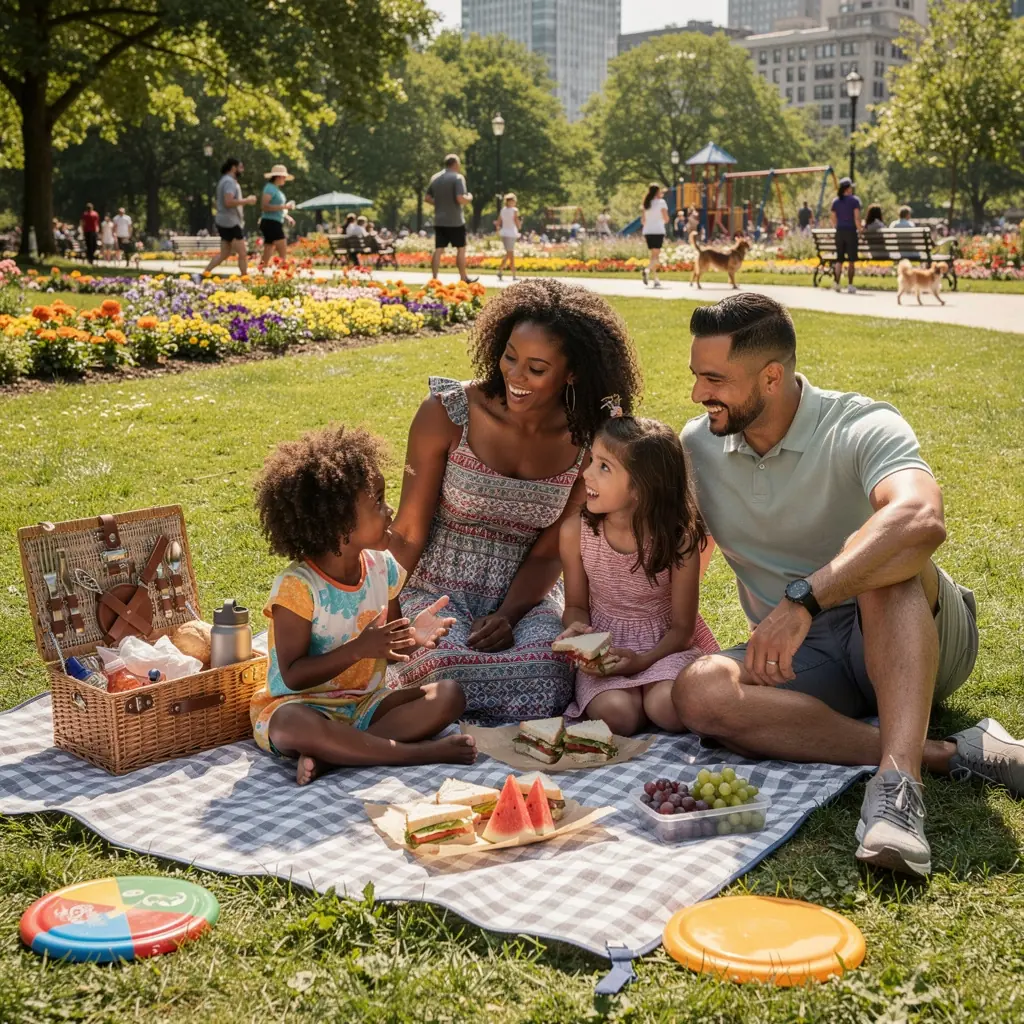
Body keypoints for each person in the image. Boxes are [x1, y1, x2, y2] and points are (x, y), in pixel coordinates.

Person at [672, 293, 1024, 877]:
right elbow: (673, 546)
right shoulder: (697, 447)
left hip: (917, 628)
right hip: (806, 657)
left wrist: (804, 598)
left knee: (882, 557)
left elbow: (921, 519)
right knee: (699, 691)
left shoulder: (861, 423)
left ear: (772, 376)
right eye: (696, 376)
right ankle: (945, 754)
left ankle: (898, 793)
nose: (697, 394)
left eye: (714, 379)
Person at [388, 279, 643, 722]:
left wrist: (509, 614)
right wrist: (385, 614)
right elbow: (408, 531)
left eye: (536, 368)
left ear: (573, 373)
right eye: (510, 356)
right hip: (434, 588)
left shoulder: (590, 442)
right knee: (438, 666)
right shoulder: (447, 413)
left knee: (549, 676)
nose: (516, 376)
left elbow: (551, 551)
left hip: (526, 596)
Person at [249, 424, 476, 786]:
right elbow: (292, 675)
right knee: (291, 724)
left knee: (448, 694)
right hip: (303, 707)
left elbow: (390, 643)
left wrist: (412, 636)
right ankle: (417, 753)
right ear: (339, 523)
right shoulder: (297, 588)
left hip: (365, 706)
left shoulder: (382, 569)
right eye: (378, 502)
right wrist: (358, 650)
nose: (389, 511)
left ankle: (337, 756)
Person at [557, 412, 719, 735]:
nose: (587, 473)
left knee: (668, 708)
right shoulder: (575, 532)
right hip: (607, 650)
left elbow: (683, 629)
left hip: (665, 646)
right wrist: (577, 631)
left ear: (641, 489)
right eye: (592, 460)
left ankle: (649, 701)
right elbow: (576, 605)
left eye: (604, 467)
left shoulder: (677, 541)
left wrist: (643, 662)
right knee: (618, 716)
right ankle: (636, 704)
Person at [425, 154, 476, 283]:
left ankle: (434, 278)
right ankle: (463, 277)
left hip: (439, 220)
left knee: (438, 249)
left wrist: (440, 203)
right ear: (455, 164)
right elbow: (460, 198)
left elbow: (427, 198)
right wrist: (469, 197)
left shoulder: (435, 178)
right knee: (461, 249)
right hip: (455, 221)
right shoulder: (458, 178)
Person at [204, 157, 257, 276]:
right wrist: (247, 200)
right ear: (234, 168)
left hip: (223, 221)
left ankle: (204, 274)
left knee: (225, 253)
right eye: (241, 167)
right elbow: (228, 202)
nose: (242, 170)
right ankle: (245, 278)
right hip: (230, 222)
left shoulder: (224, 180)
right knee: (243, 253)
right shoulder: (229, 182)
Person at [259, 164, 296, 269]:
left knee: (268, 249)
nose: (285, 179)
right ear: (278, 176)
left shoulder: (276, 189)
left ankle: (261, 271)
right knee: (282, 248)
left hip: (274, 222)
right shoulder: (269, 188)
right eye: (284, 177)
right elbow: (265, 206)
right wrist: (285, 206)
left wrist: (287, 216)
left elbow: (278, 209)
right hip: (271, 223)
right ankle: (284, 273)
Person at [830, 176, 861, 293]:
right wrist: (860, 229)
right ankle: (850, 284)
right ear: (847, 188)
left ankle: (837, 283)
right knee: (851, 260)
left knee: (839, 259)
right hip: (851, 231)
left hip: (840, 232)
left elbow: (833, 218)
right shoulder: (855, 201)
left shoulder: (836, 201)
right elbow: (857, 218)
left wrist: (838, 226)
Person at [640, 184, 669, 288]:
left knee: (653, 256)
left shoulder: (646, 203)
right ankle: (647, 270)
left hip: (647, 231)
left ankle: (656, 279)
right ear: (657, 192)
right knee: (655, 256)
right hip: (658, 231)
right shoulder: (661, 203)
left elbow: (643, 221)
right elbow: (666, 219)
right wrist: (659, 221)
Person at [494, 192, 521, 282]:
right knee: (511, 254)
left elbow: (498, 223)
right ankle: (513, 274)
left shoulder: (503, 210)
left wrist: (498, 231)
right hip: (511, 233)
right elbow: (516, 221)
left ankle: (500, 271)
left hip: (504, 233)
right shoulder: (514, 210)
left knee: (508, 253)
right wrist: (519, 226)